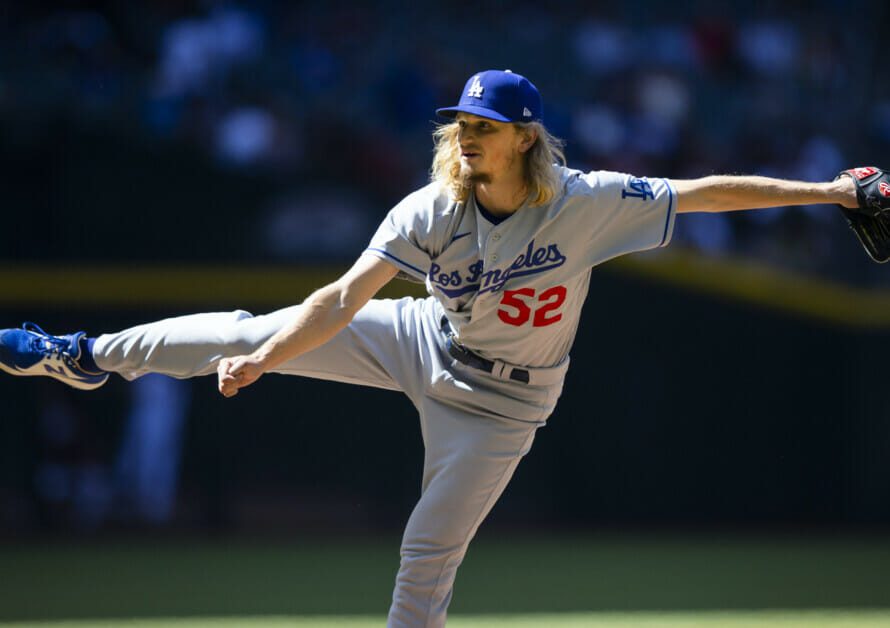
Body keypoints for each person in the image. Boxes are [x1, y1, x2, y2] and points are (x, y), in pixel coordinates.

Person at [0, 70, 858, 627]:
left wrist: (830, 192)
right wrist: (267, 359)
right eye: (462, 122)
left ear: (525, 136)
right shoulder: (430, 207)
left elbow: (706, 193)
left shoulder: (587, 201)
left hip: (505, 405)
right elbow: (341, 299)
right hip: (424, 339)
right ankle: (86, 353)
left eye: (487, 124)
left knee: (426, 558)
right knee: (246, 328)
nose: (468, 134)